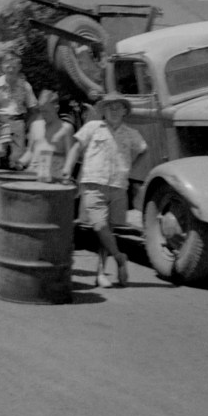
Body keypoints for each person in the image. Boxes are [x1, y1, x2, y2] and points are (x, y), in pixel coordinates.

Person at [61, 93, 147, 289]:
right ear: (103, 111)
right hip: (93, 184)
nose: (114, 111)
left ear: (125, 111)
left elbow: (143, 150)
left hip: (118, 187)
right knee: (99, 226)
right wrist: (67, 169)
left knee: (106, 231)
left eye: (118, 107)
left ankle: (101, 273)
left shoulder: (131, 133)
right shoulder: (92, 128)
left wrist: (130, 168)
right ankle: (120, 257)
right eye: (110, 107)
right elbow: (76, 147)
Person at [0, 51, 37, 168]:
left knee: (17, 158)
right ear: (1, 67)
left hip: (18, 122)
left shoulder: (25, 86)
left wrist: (27, 126)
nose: (11, 69)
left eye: (14, 66)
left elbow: (34, 109)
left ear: (20, 67)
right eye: (7, 65)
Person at [19, 89, 75, 180]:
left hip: (54, 176)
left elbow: (70, 156)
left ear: (56, 108)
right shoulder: (35, 126)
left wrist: (66, 174)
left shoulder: (66, 128)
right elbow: (31, 151)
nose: (44, 114)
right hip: (33, 174)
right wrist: (20, 162)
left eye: (47, 111)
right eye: (42, 111)